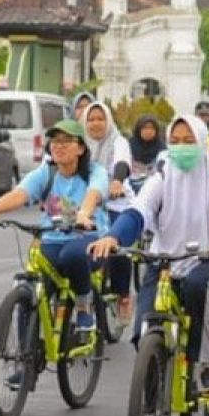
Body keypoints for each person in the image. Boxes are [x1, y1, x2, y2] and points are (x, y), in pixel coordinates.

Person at [88, 115, 209, 394]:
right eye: (176, 141)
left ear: (202, 143)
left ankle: (205, 367)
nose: (181, 147)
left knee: (198, 288)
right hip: (163, 263)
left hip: (208, 261)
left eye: (189, 141)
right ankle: (153, 394)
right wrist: (113, 236)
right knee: (143, 330)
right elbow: (138, 211)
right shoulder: (163, 175)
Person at [0, 119, 107, 338]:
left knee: (72, 255)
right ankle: (25, 359)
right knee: (30, 285)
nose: (59, 146)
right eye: (55, 141)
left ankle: (84, 305)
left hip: (89, 239)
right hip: (52, 239)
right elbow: (20, 194)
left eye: (66, 141)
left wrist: (84, 214)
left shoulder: (95, 172)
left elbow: (94, 193)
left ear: (81, 148)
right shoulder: (47, 173)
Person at [83, 102, 134, 324]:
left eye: (100, 118)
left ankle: (123, 295)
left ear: (108, 121)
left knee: (117, 247)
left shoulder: (118, 141)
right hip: (86, 202)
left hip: (116, 202)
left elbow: (122, 162)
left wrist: (117, 182)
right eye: (91, 119)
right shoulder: (79, 142)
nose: (95, 123)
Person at [128, 114, 166, 190]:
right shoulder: (129, 145)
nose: (148, 131)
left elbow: (162, 168)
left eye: (152, 128)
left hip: (154, 187)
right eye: (145, 128)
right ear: (139, 129)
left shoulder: (161, 147)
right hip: (131, 185)